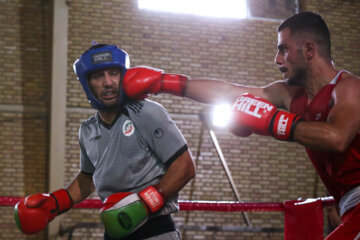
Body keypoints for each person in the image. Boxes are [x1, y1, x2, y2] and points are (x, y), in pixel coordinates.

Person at [122, 11, 360, 240]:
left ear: (309, 49)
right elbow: (229, 92)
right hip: (350, 206)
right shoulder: (291, 94)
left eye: (283, 49)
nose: (277, 59)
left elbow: (337, 138)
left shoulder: (349, 88)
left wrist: (272, 121)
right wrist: (165, 82)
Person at [14, 43, 196, 240]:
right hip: (115, 231)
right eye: (98, 76)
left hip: (155, 230)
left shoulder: (147, 112)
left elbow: (184, 166)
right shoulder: (87, 130)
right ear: (87, 83)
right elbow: (88, 177)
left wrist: (145, 203)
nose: (108, 82)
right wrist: (55, 203)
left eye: (114, 73)